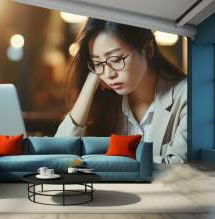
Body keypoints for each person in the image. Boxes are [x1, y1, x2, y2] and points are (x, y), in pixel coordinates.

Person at [55, 18, 187, 164]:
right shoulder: (107, 101)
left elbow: (178, 167)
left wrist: (109, 162)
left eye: (116, 59)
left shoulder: (186, 96)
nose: (108, 74)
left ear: (148, 50)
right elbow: (60, 156)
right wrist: (90, 83)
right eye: (97, 63)